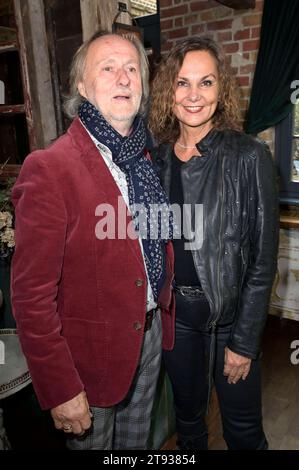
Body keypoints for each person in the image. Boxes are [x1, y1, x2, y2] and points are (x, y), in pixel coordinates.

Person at [10, 31, 174, 450]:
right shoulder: (50, 168)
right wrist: (60, 387)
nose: (123, 78)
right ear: (82, 86)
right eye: (108, 68)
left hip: (149, 339)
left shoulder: (144, 158)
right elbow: (30, 297)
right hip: (88, 362)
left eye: (132, 69)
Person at [149, 36, 279, 450]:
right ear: (168, 90)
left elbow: (262, 261)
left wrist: (243, 341)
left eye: (205, 83)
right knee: (188, 424)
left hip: (231, 320)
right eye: (182, 83)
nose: (193, 95)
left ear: (221, 89)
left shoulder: (248, 155)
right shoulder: (157, 160)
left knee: (242, 432)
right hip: (178, 320)